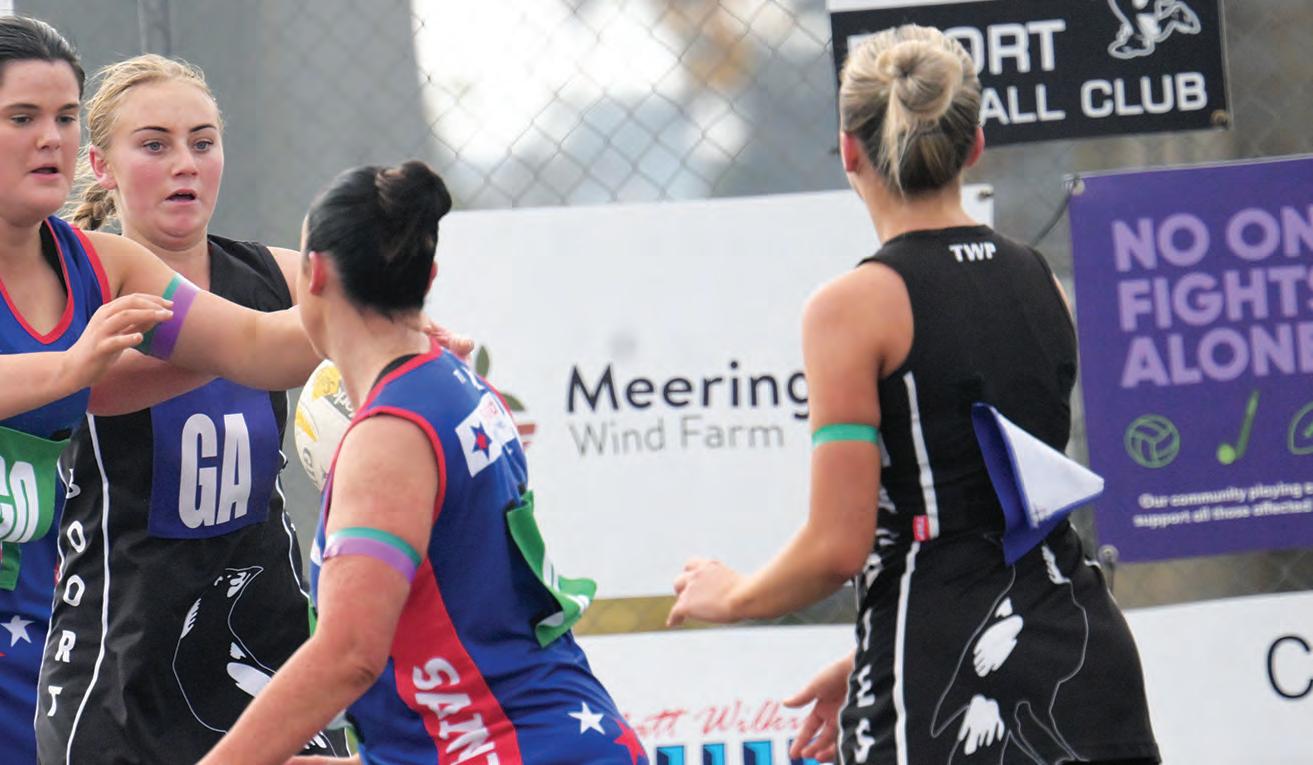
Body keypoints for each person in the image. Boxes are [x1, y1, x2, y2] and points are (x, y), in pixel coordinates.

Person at [666, 24, 1160, 765]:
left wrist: (731, 594)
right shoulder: (1042, 282)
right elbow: (1000, 516)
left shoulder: (851, 307)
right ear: (974, 146)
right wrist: (869, 653)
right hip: (1085, 653)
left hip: (943, 674)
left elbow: (838, 545)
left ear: (848, 151)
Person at [199, 161, 647, 765]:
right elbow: (464, 613)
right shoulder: (456, 384)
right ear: (427, 277)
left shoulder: (391, 433)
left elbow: (348, 656)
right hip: (548, 737)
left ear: (316, 274)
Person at [0, 17, 330, 763]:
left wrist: (380, 321)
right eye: (22, 118)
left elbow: (255, 344)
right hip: (104, 647)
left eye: (63, 117)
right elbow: (95, 382)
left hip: (218, 632)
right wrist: (72, 367)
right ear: (106, 166)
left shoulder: (104, 265)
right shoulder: (92, 321)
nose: (48, 138)